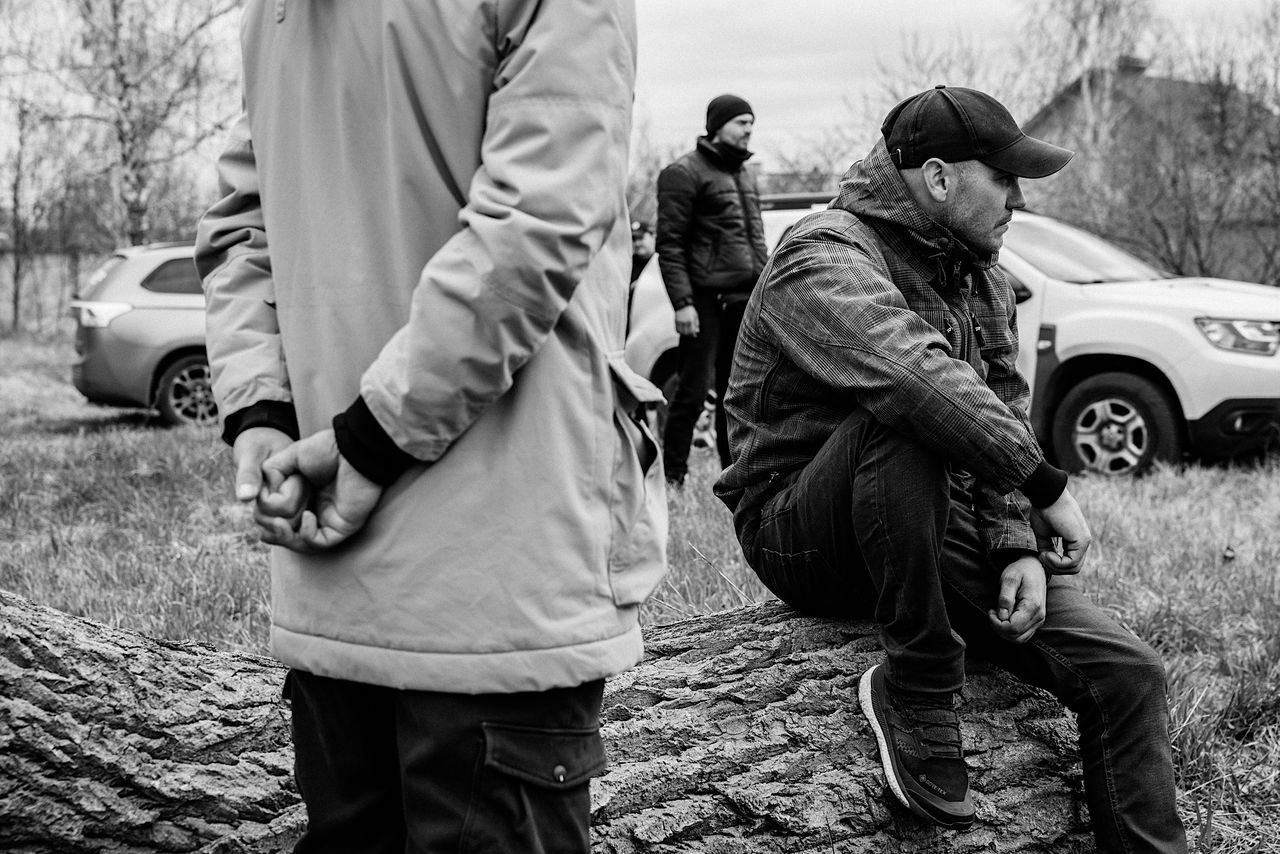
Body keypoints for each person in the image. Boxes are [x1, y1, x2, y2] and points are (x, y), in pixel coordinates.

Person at [195, 1, 666, 850]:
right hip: (498, 572)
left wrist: (262, 418)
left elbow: (240, 228)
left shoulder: (273, 13)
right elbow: (534, 230)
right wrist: (355, 438)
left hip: (334, 576)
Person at [715, 85, 1188, 851]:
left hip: (935, 521)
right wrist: (1046, 487)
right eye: (1002, 178)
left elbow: (999, 402)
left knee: (1128, 673)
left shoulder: (981, 277)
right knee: (906, 415)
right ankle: (917, 683)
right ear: (938, 177)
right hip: (803, 531)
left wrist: (1016, 546)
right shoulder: (821, 255)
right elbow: (910, 375)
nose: (1016, 198)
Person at [656, 94, 768, 486]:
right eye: (741, 122)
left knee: (734, 396)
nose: (749, 129)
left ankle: (733, 477)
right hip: (704, 301)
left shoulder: (743, 174)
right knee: (690, 391)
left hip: (743, 300)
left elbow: (754, 240)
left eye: (751, 122)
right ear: (717, 126)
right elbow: (669, 245)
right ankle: (673, 478)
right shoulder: (683, 173)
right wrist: (683, 303)